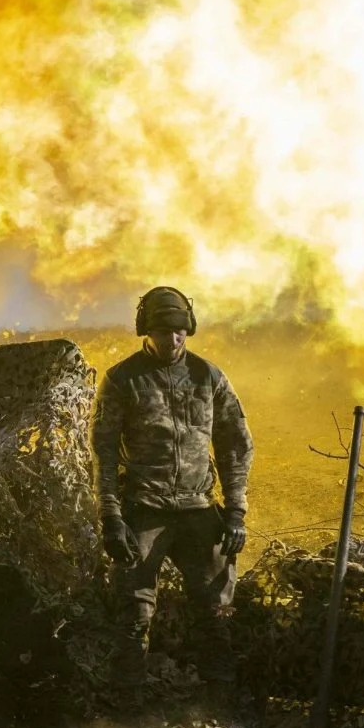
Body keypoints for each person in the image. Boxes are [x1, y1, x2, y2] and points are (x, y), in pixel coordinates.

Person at [91, 286, 254, 683]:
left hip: (199, 509)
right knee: (134, 614)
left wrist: (235, 512)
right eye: (163, 331)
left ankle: (220, 704)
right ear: (146, 331)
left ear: (190, 329)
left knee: (215, 612)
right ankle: (128, 714)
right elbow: (104, 454)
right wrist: (112, 518)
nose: (173, 338)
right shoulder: (123, 380)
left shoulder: (208, 376)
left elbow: (236, 443)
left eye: (180, 330)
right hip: (144, 510)